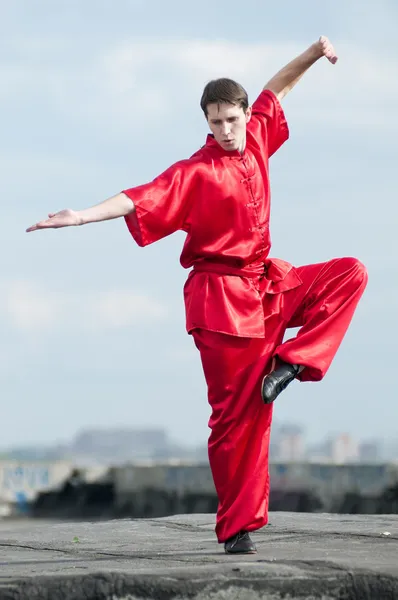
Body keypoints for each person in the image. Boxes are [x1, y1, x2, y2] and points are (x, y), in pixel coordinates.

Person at [26, 36, 368, 555]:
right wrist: (79, 215)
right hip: (222, 303)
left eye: (233, 119)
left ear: (245, 115)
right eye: (215, 122)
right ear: (206, 122)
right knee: (237, 419)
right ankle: (236, 529)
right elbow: (137, 196)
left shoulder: (256, 137)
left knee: (351, 273)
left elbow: (280, 86)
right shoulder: (195, 171)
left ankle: (292, 364)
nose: (226, 131)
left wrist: (315, 53)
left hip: (268, 284)